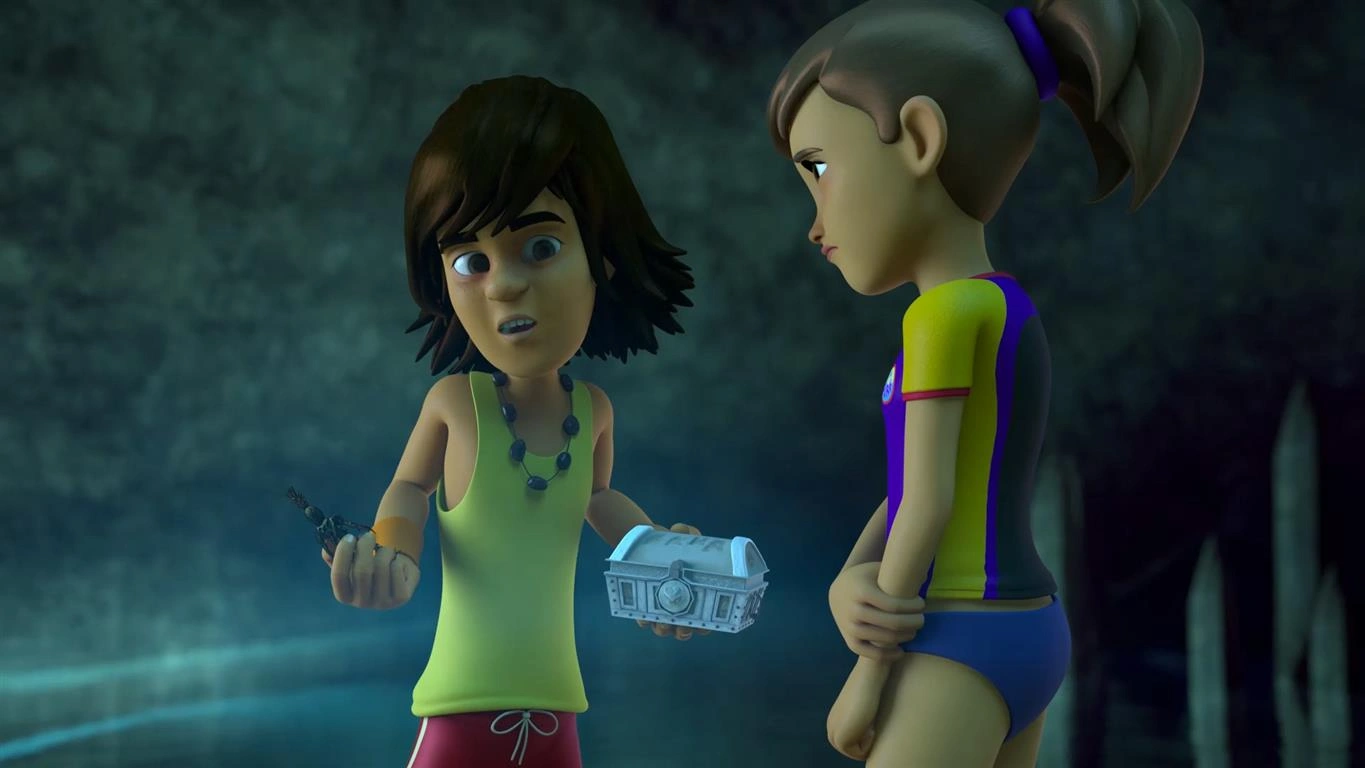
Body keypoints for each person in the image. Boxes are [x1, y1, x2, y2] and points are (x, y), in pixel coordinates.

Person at [765, 1, 1204, 765]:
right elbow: (936, 479)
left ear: (920, 139)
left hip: (956, 634)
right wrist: (848, 577)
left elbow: (928, 502)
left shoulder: (939, 318)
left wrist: (868, 674)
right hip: (1031, 628)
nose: (814, 223)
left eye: (821, 169)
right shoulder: (1004, 304)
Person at [322, 75, 700, 768]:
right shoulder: (454, 405)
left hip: (555, 703)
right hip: (459, 701)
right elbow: (409, 489)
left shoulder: (593, 412)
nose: (503, 285)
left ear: (602, 257)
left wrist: (663, 563)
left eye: (542, 248)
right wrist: (394, 552)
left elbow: (598, 499)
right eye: (471, 261)